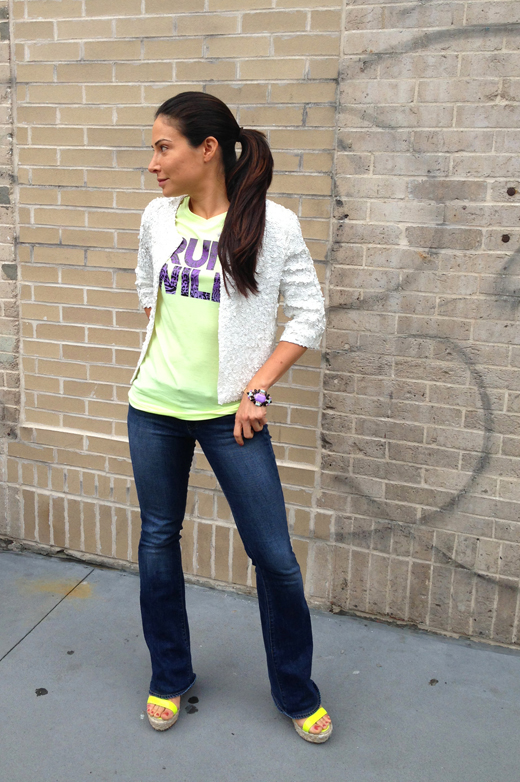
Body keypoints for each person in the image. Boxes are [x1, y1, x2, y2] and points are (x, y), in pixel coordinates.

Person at [127, 92, 331, 743]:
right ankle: (169, 675)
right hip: (153, 408)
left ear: (207, 148)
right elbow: (147, 288)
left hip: (230, 418)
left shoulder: (274, 225)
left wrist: (257, 389)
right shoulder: (157, 218)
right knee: (158, 541)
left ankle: (295, 690)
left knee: (275, 558)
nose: (154, 162)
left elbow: (309, 315)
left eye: (164, 147)